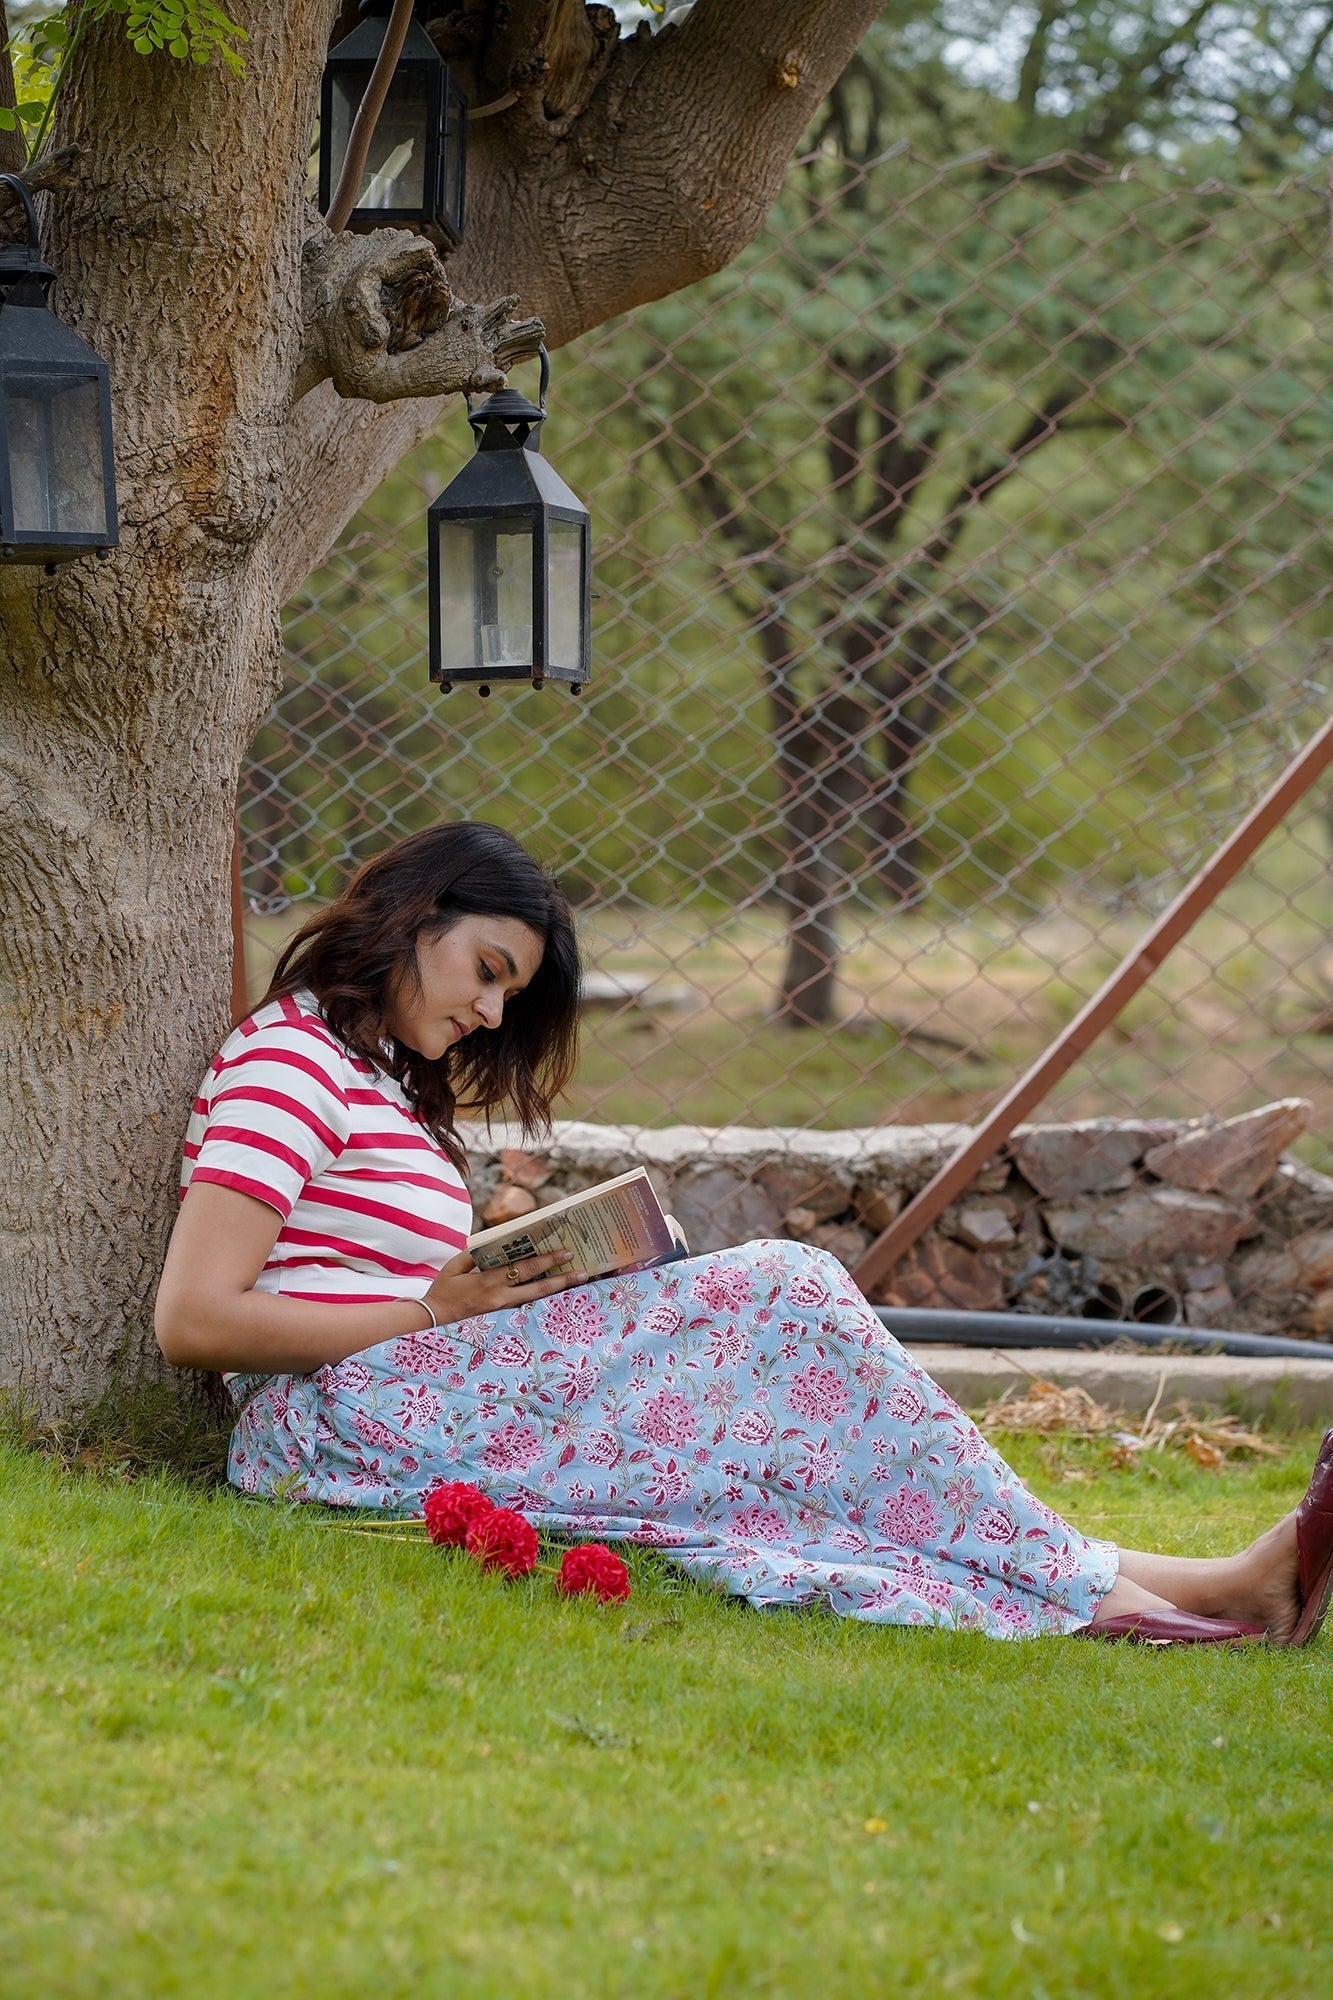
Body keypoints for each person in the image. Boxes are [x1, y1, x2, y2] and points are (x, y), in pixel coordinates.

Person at [156, 821, 1333, 1647]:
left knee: (774, 1438)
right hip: (337, 1425)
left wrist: (514, 1275)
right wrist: (436, 1309)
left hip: (419, 1383)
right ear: (415, 916)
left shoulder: (379, 1082)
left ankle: (1172, 1581)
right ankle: (1181, 1583)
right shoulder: (288, 1062)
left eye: (510, 991)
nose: (489, 1009)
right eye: (488, 971)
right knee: (781, 1286)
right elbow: (195, 1318)